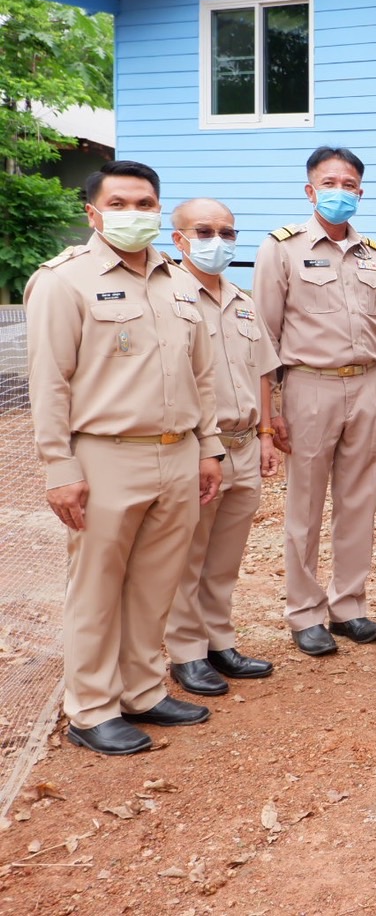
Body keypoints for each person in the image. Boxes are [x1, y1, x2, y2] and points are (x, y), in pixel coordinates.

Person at [25, 161, 224, 755]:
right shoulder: (64, 281)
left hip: (177, 453)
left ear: (159, 211)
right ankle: (90, 707)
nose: (134, 214)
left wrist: (209, 448)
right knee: (96, 587)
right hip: (105, 457)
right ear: (93, 213)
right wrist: (59, 467)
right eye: (119, 204)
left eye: (145, 204)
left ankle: (141, 690)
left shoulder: (177, 281)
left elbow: (201, 376)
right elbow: (49, 383)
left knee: (155, 584)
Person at [253, 146, 376, 656]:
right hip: (308, 386)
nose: (341, 191)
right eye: (329, 183)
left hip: (366, 385)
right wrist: (270, 411)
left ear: (361, 191)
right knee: (306, 506)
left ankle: (349, 606)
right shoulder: (282, 248)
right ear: (310, 191)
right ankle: (305, 612)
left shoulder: (371, 253)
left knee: (359, 502)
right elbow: (264, 335)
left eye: (349, 184)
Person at [163, 199, 283, 697]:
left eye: (227, 232)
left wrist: (266, 435)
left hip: (245, 444)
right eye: (205, 231)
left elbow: (262, 373)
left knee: (225, 557)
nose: (218, 241)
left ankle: (219, 642)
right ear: (179, 239)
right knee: (187, 555)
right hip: (198, 448)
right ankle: (187, 652)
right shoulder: (168, 296)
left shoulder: (241, 299)